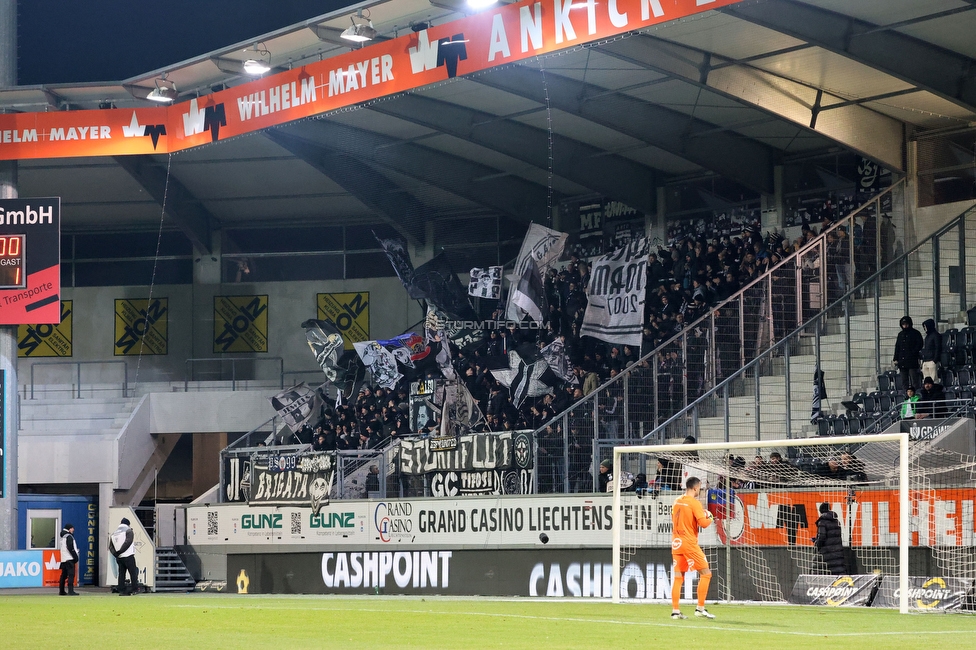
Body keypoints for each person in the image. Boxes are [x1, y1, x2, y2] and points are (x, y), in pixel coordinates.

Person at [670, 476, 716, 620]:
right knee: (706, 573)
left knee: (678, 577)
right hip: (689, 543)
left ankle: (675, 611)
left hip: (676, 542)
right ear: (695, 488)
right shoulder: (694, 503)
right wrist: (710, 517)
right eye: (700, 488)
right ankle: (700, 608)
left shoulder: (677, 501)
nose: (700, 491)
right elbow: (703, 523)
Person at [813, 502, 846, 575]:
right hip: (837, 551)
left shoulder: (822, 522)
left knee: (825, 573)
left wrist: (816, 543)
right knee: (837, 572)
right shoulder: (836, 521)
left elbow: (822, 537)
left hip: (827, 553)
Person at [109, 517, 139, 596]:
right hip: (128, 555)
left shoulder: (114, 533)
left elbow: (110, 546)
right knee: (133, 573)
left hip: (119, 557)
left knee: (121, 574)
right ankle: (134, 589)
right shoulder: (129, 531)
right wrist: (121, 551)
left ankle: (121, 589)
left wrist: (116, 553)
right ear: (128, 524)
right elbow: (128, 542)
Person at [892, 316, 923, 391]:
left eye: (906, 324)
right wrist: (895, 358)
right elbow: (897, 347)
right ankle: (905, 396)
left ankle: (916, 396)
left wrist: (913, 353)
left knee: (914, 380)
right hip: (902, 362)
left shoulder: (915, 333)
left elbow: (920, 344)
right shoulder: (900, 335)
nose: (905, 326)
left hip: (912, 362)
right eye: (903, 324)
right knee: (904, 382)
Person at [58, 523, 80, 596]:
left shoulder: (62, 536)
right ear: (69, 528)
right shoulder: (69, 536)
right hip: (69, 558)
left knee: (63, 575)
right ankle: (71, 591)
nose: (73, 530)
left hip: (63, 558)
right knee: (71, 575)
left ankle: (61, 591)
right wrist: (75, 557)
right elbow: (70, 547)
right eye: (72, 528)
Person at [920, 319, 941, 383]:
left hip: (932, 360)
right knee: (926, 380)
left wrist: (935, 360)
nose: (924, 328)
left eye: (925, 327)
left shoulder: (936, 335)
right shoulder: (927, 337)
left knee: (933, 379)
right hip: (926, 360)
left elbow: (938, 348)